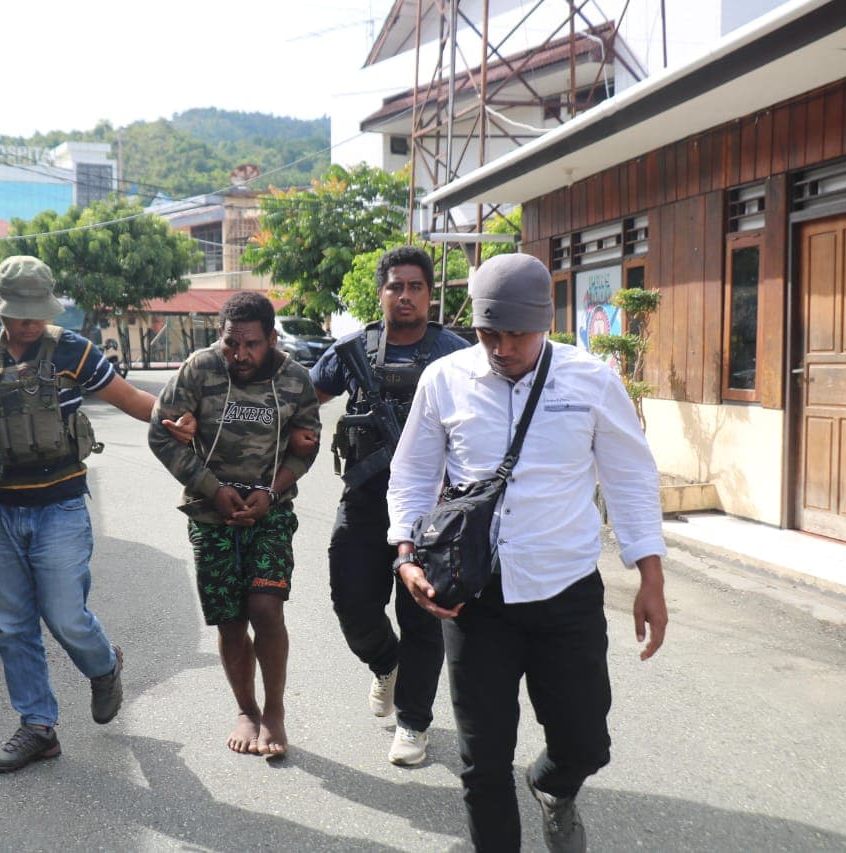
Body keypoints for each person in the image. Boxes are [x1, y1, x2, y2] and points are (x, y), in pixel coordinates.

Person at [386, 252, 668, 852]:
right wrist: (406, 553)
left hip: (565, 591)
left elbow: (630, 478)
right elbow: (411, 473)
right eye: (490, 332)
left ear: (545, 321)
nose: (503, 347)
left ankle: (552, 785)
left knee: (585, 742)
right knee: (482, 760)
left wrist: (650, 576)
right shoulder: (445, 379)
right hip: (475, 599)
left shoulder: (590, 379)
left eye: (517, 333)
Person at [0, 255, 158, 774]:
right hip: (0, 511)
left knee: (67, 615)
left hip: (60, 508)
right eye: (19, 312)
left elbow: (133, 399)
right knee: (13, 625)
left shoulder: (73, 350)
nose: (28, 322)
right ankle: (38, 728)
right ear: (0, 310)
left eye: (35, 312)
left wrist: (182, 421)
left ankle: (104, 664)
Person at [309, 245, 470, 766]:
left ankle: (413, 722)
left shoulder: (453, 351)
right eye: (395, 286)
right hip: (364, 496)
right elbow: (303, 396)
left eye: (416, 287)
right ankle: (385, 662)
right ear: (381, 293)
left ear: (429, 294)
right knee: (351, 599)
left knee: (422, 615)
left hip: (434, 506)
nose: (405, 295)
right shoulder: (353, 348)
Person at [148, 291, 321, 758]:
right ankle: (246, 710)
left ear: (271, 339)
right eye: (231, 344)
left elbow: (307, 446)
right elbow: (159, 433)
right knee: (229, 620)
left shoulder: (295, 379)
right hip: (210, 514)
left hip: (271, 512)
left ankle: (275, 710)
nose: (239, 355)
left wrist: (271, 493)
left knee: (266, 609)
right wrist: (211, 488)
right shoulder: (199, 369)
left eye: (251, 345)